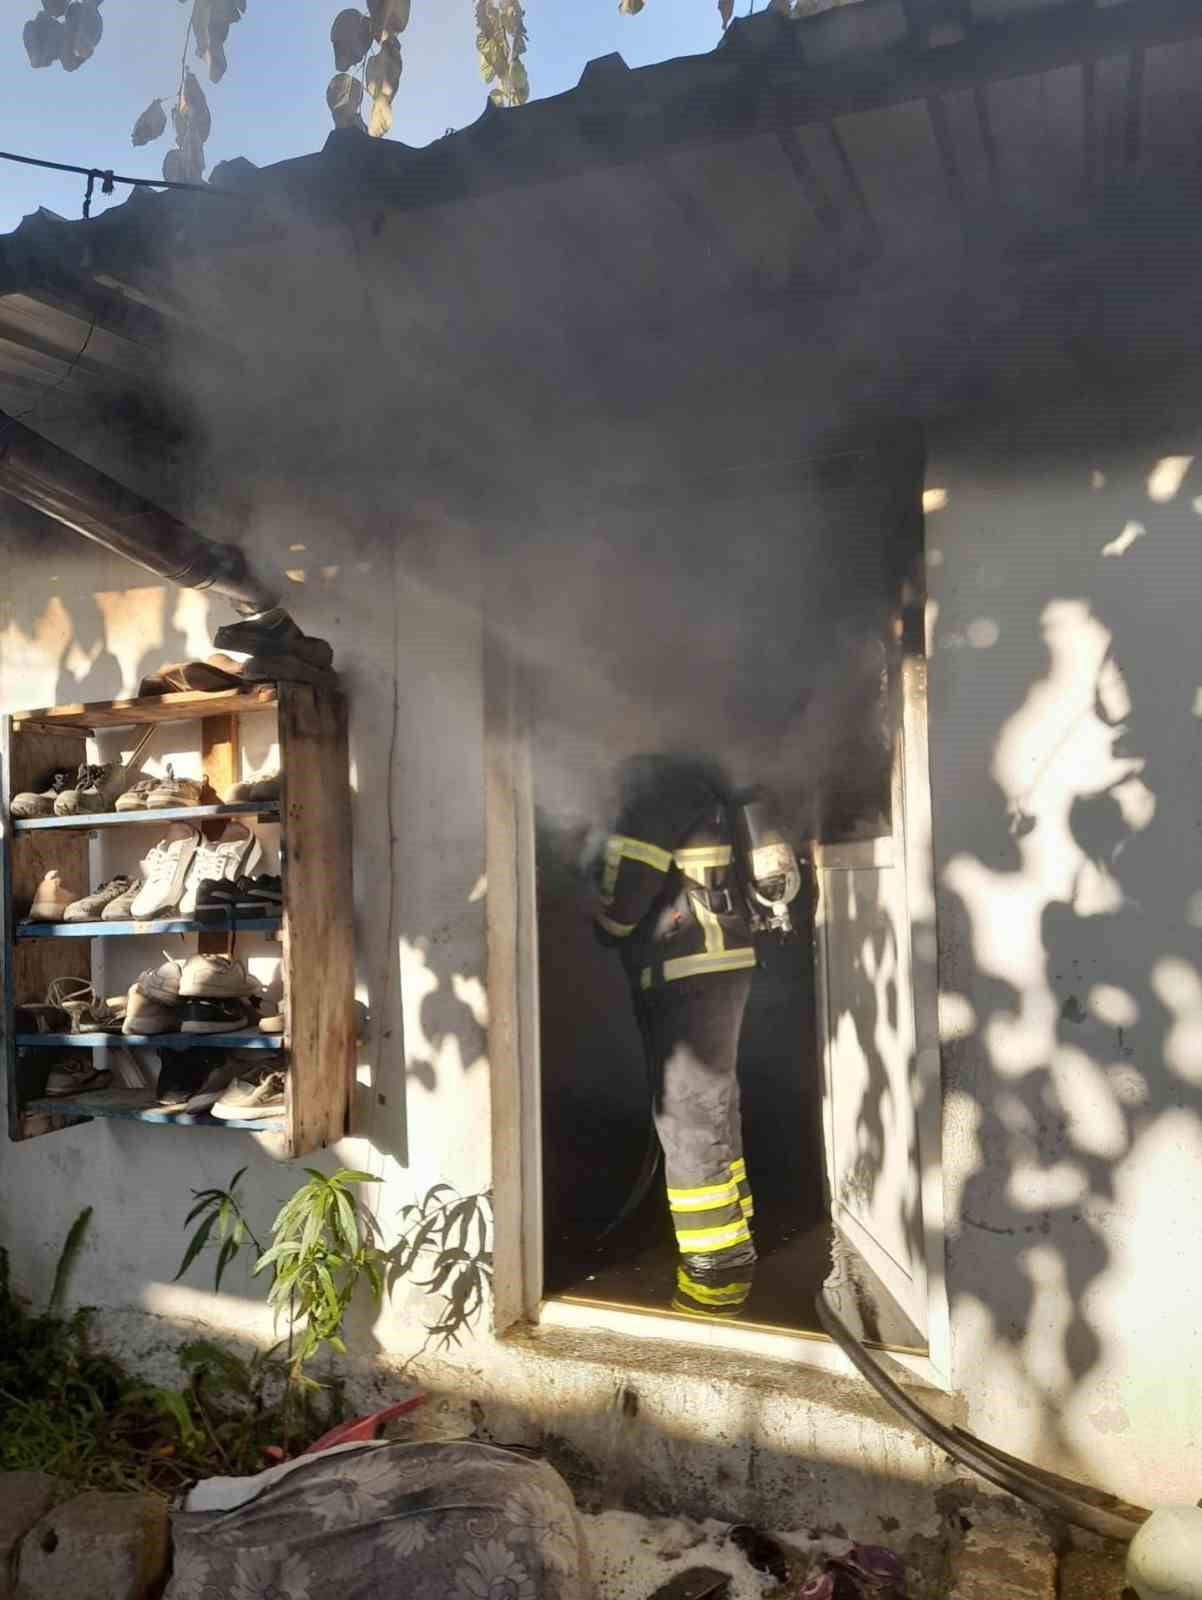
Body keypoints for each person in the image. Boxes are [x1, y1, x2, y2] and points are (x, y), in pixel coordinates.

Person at [591, 755, 759, 1318]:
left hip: (688, 970)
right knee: (715, 1107)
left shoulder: (656, 786)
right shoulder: (708, 779)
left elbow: (626, 897)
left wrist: (605, 925)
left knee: (688, 1116)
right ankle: (736, 1235)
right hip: (723, 962)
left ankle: (715, 1276)